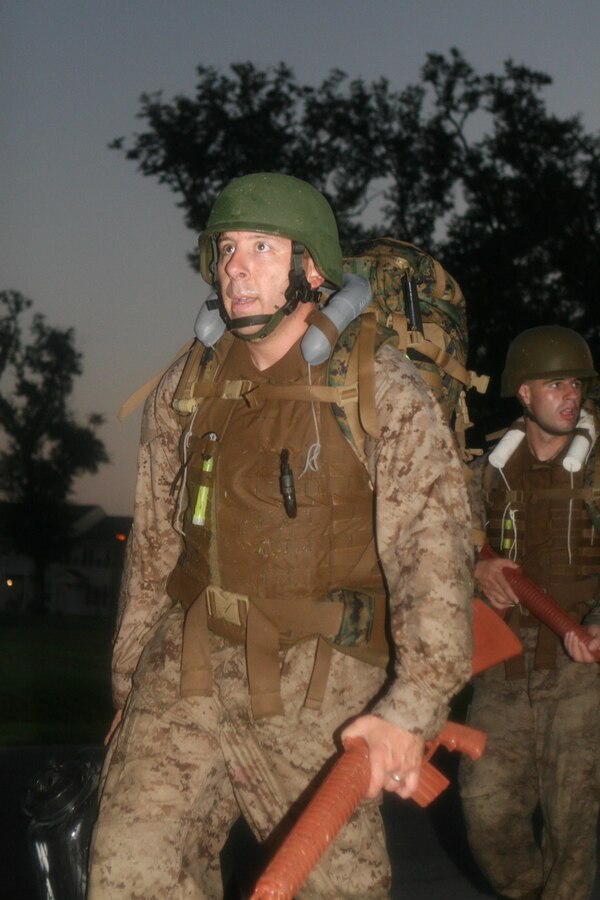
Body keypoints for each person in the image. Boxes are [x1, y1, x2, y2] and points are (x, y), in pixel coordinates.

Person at [88, 172, 473, 899]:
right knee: (126, 873)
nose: (237, 265)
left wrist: (412, 708)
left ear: (312, 269)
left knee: (337, 891)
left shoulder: (381, 387)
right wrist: (129, 685)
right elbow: (153, 550)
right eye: (227, 248)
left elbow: (434, 559)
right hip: (190, 660)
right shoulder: (188, 384)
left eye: (262, 247)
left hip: (318, 675)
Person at [460, 325, 600, 900]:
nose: (571, 394)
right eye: (554, 383)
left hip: (579, 671)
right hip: (503, 668)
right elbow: (437, 537)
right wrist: (476, 566)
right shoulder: (486, 467)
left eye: (577, 383)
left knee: (574, 831)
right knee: (485, 813)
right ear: (524, 394)